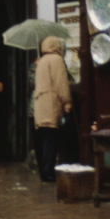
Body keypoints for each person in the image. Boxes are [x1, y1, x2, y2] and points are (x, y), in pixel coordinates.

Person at [33, 35, 73, 184]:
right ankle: (48, 172)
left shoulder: (41, 61)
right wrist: (67, 103)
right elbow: (61, 84)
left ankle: (44, 171)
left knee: (43, 138)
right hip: (51, 104)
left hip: (40, 104)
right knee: (51, 140)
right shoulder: (57, 60)